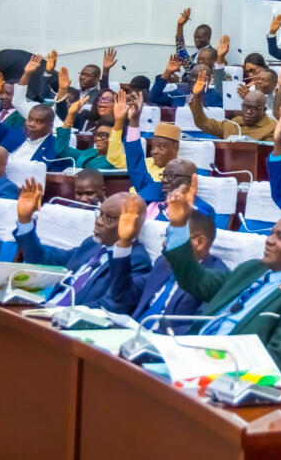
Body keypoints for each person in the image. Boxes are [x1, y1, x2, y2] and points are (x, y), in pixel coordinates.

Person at [162, 176, 281, 373]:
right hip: (189, 352)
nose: (269, 241)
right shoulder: (253, 268)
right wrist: (178, 226)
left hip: (228, 372)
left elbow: (278, 361)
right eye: (271, 233)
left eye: (280, 237)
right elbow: (197, 281)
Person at [14, 178, 151, 311]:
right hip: (44, 308)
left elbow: (112, 305)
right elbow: (42, 260)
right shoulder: (92, 244)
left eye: (109, 218)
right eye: (100, 214)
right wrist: (25, 220)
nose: (99, 221)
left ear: (132, 226)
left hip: (69, 322)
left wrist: (60, 312)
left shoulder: (137, 259)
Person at [110, 209, 228, 330]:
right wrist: (123, 244)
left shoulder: (216, 280)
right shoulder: (163, 263)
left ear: (199, 242)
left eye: (172, 237)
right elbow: (123, 296)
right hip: (132, 333)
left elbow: (198, 329)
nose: (164, 244)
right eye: (166, 235)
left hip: (166, 343)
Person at [0, 62, 62, 167]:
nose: (31, 124)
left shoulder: (56, 148)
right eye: (30, 119)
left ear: (50, 126)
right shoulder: (16, 133)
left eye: (39, 122)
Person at [191, 68, 276, 140]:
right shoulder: (234, 123)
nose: (249, 112)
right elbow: (202, 123)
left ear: (264, 110)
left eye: (255, 108)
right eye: (246, 107)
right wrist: (196, 97)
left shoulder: (271, 128)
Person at [55, 96, 115, 170]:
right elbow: (62, 150)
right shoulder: (89, 153)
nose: (98, 138)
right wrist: (70, 115)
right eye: (97, 135)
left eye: (104, 135)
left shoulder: (117, 160)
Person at [174, 7, 211, 71]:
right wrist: (180, 25)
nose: (196, 40)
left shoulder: (213, 55)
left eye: (199, 38)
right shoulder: (195, 56)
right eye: (195, 37)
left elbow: (195, 71)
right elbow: (182, 55)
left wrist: (180, 79)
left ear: (208, 37)